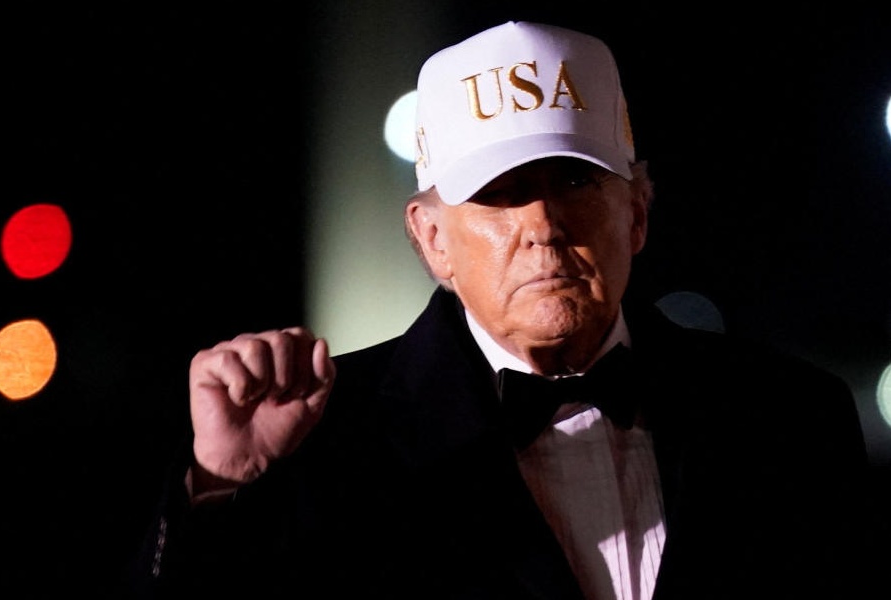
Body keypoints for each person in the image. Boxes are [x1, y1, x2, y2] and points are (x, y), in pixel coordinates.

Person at [127, 21, 881, 599]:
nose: (543, 225)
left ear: (638, 214)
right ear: (432, 239)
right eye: (498, 194)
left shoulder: (789, 417)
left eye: (575, 181)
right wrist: (219, 485)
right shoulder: (323, 443)